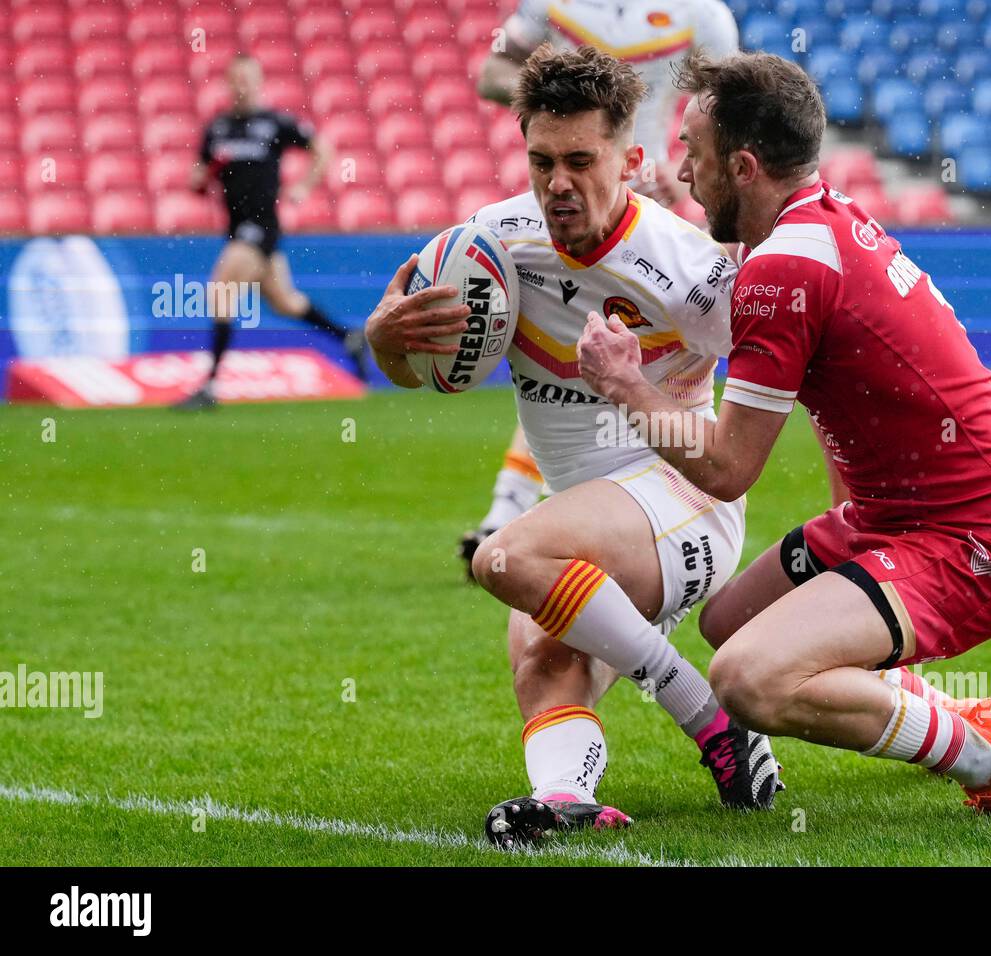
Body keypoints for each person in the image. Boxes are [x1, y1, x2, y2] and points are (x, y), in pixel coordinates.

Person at [577, 51, 991, 814]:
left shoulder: (788, 269)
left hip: (976, 540)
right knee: (728, 619)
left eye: (693, 155)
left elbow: (729, 467)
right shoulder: (816, 221)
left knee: (748, 677)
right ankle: (950, 716)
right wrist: (694, 215)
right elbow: (775, 285)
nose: (681, 170)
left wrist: (625, 383)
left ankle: (978, 752)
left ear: (742, 164)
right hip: (891, 518)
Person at [363, 46, 779, 849]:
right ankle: (564, 797)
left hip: (686, 503)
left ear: (629, 160)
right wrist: (386, 344)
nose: (559, 183)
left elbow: (784, 362)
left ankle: (707, 719)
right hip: (586, 523)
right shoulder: (490, 244)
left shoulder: (684, 268)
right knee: (540, 659)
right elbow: (419, 373)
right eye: (542, 161)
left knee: (503, 561)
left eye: (581, 161)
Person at [461, 0, 740, 576]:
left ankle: (677, 509)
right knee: (566, 352)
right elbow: (491, 73)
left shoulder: (701, 14)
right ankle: (519, 510)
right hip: (582, 186)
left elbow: (733, 113)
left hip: (659, 197)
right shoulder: (551, 6)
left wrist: (692, 182)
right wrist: (566, 104)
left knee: (656, 362)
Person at [175, 54, 365, 410]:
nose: (242, 86)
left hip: (261, 226)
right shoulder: (217, 128)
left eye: (248, 78)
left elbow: (322, 149)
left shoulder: (274, 123)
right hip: (236, 229)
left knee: (220, 289)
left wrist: (305, 186)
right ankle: (348, 336)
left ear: (259, 82)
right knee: (285, 302)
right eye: (236, 79)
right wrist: (201, 178)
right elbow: (196, 176)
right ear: (228, 84)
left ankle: (210, 386)